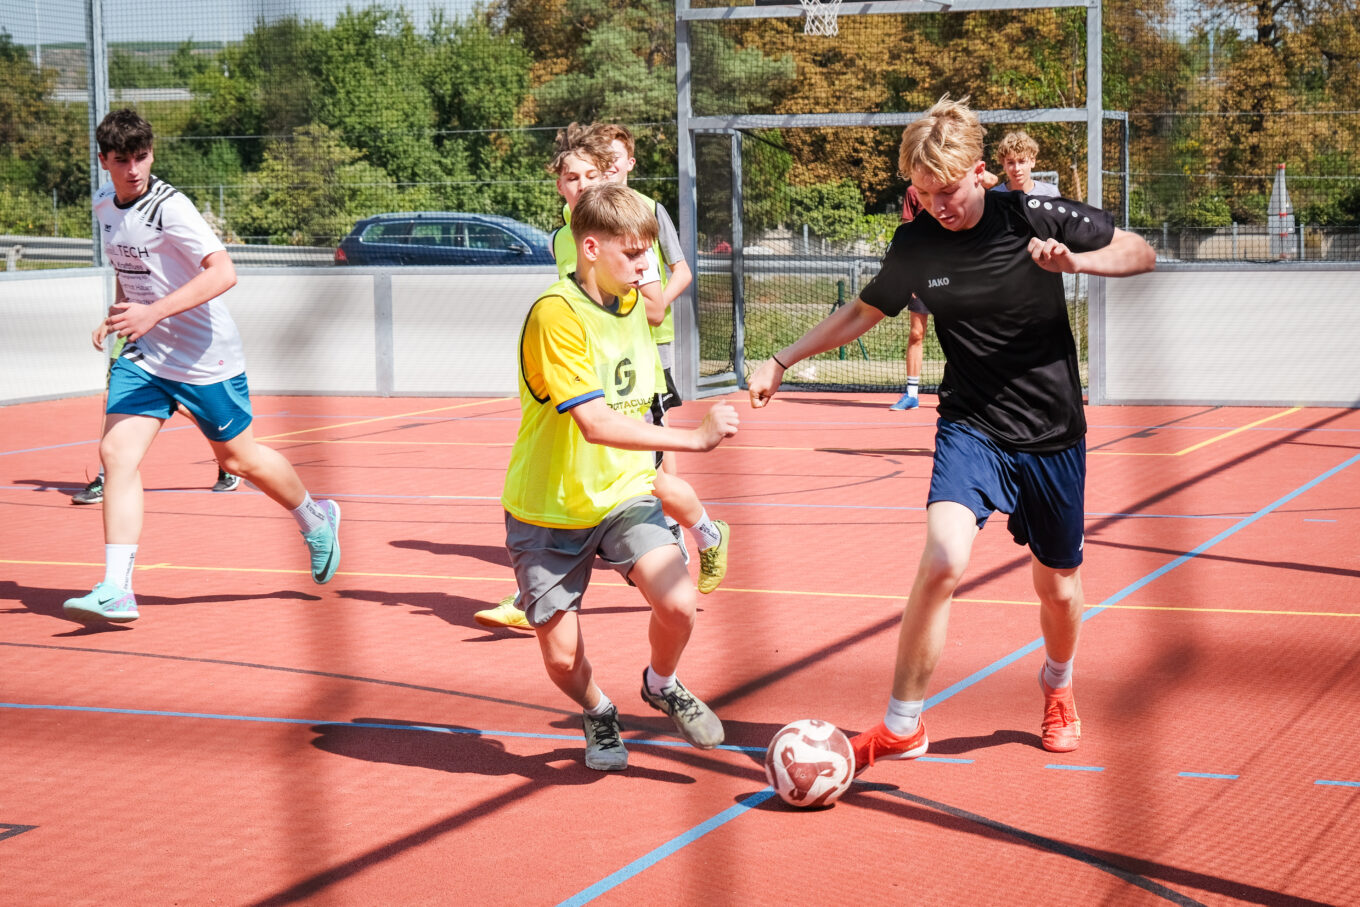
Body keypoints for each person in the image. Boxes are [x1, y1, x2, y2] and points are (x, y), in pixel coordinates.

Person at [748, 96, 1155, 770]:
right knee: (942, 557)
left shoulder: (1030, 213)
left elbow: (1139, 253)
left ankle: (1057, 681)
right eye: (925, 191)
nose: (939, 203)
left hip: (1051, 430)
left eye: (949, 189)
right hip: (971, 422)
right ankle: (902, 724)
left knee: (1057, 586)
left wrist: (1077, 266)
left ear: (979, 172)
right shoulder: (917, 242)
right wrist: (783, 357)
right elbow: (865, 310)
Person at [62, 109, 342, 625]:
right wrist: (124, 314)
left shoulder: (171, 208)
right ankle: (117, 588)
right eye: (121, 160)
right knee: (116, 455)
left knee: (239, 460)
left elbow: (225, 272)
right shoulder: (105, 203)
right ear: (103, 161)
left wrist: (152, 313)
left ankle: (315, 517)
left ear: (152, 153)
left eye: (141, 157)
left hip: (204, 357)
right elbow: (131, 269)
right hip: (145, 356)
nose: (133, 169)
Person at [502, 182, 738, 770]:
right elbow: (596, 422)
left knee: (680, 602)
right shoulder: (556, 315)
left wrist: (663, 469)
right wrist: (695, 438)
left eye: (649, 256)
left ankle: (661, 685)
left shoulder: (633, 305)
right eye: (632, 256)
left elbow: (639, 400)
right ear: (589, 248)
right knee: (560, 659)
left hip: (625, 494)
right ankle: (598, 710)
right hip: (547, 506)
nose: (644, 269)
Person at [474, 123, 731, 630]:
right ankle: (544, 588)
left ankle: (700, 537)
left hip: (636, 364)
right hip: (586, 364)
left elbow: (655, 304)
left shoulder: (637, 218)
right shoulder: (563, 237)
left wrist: (631, 290)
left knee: (647, 478)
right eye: (572, 177)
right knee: (599, 470)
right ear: (559, 184)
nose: (582, 185)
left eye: (593, 174)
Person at [72, 341, 241, 504]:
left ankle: (228, 457)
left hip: (169, 348)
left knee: (183, 406)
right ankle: (105, 478)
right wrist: (109, 323)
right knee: (111, 402)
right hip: (130, 347)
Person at [993, 130, 1060, 197]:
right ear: (1003, 164)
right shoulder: (994, 197)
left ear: (1032, 161)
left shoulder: (1051, 194)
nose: (1017, 168)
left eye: (1022, 161)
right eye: (1011, 162)